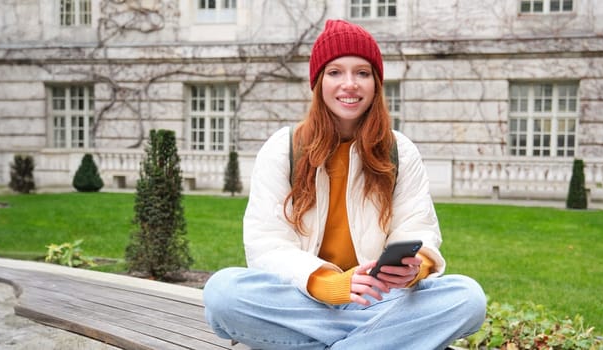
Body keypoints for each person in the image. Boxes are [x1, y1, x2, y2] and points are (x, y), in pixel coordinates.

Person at [203, 19, 486, 350]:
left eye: (362, 73)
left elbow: (417, 229)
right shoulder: (283, 147)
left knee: (467, 299)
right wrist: (327, 283)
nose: (349, 84)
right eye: (335, 72)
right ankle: (382, 342)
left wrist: (415, 267)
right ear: (319, 81)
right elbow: (266, 244)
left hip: (378, 299)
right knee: (223, 292)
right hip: (302, 297)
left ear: (376, 83)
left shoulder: (400, 151)